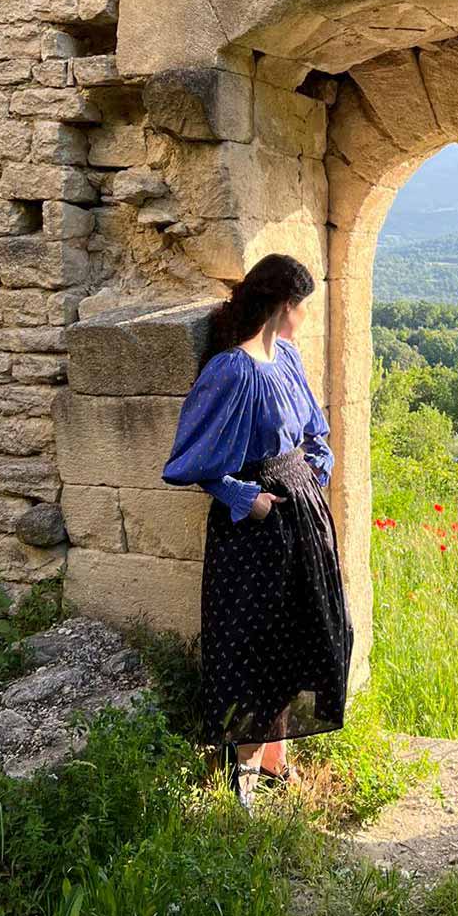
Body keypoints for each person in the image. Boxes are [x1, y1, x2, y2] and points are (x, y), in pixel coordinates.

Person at [162, 253, 353, 813]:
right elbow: (190, 461)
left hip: (302, 515)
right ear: (282, 306)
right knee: (254, 644)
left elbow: (315, 429)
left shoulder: (287, 357)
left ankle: (275, 760)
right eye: (301, 308)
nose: (303, 319)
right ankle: (239, 776)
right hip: (256, 528)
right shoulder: (231, 371)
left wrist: (315, 475)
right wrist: (251, 501)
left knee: (306, 632)